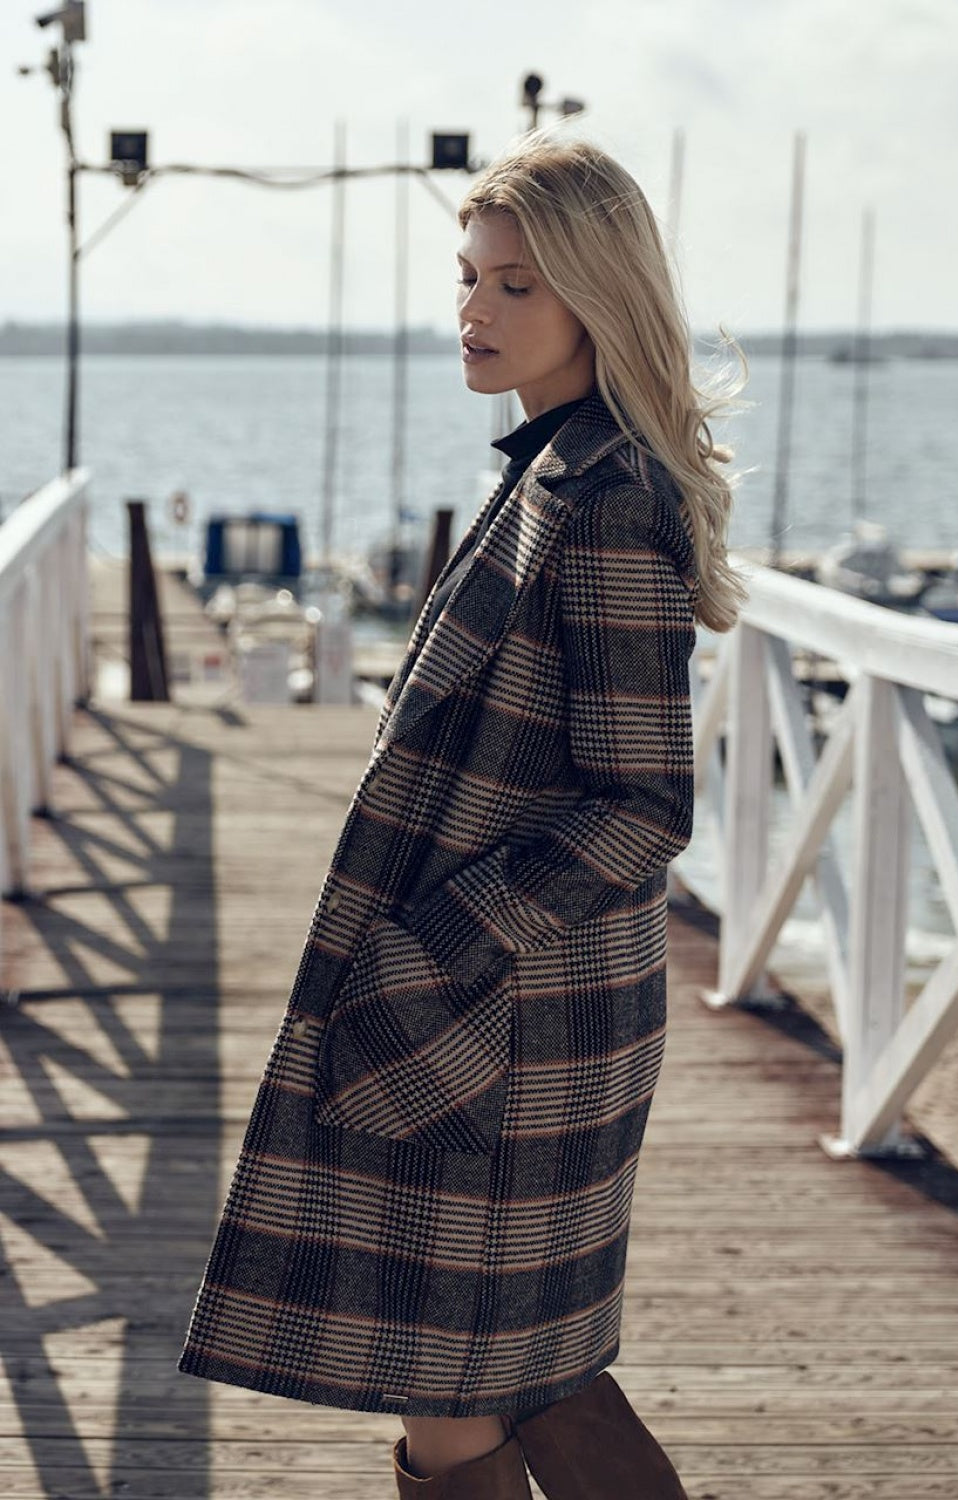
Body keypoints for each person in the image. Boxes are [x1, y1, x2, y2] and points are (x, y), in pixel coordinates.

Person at [177, 131, 746, 1500]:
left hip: (510, 1017)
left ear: (598, 298)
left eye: (517, 286)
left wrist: (431, 950)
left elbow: (641, 802)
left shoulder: (606, 501)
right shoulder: (551, 466)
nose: (475, 312)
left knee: (458, 1387)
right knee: (513, 1372)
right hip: (492, 1009)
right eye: (470, 278)